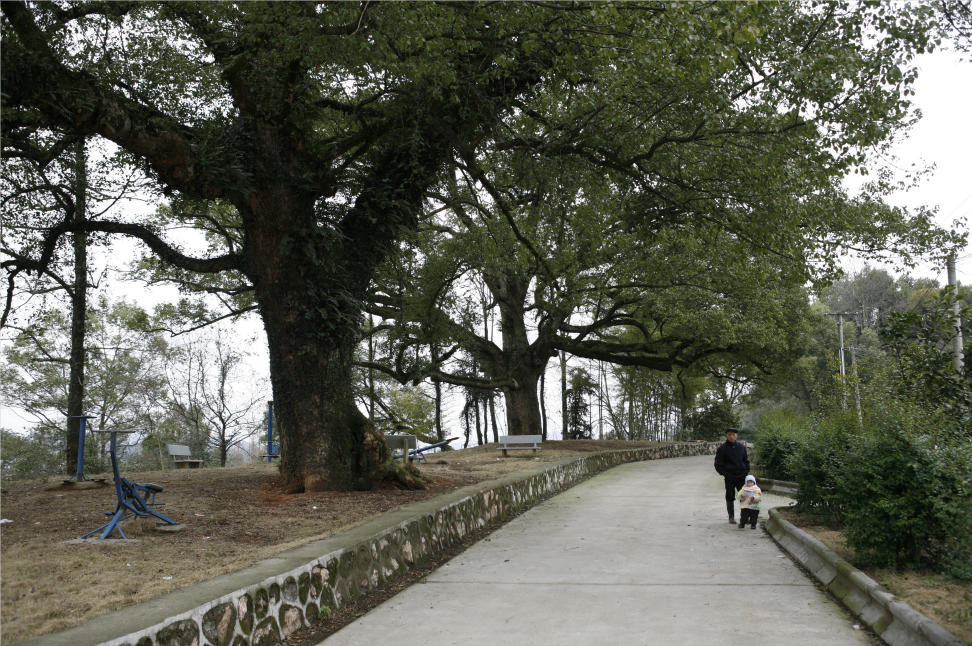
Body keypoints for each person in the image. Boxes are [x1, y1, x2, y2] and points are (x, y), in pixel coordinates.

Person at [713, 427, 749, 523]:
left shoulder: (742, 447)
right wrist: (725, 474)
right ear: (727, 435)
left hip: (742, 476)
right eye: (729, 434)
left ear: (736, 436)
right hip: (729, 476)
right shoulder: (722, 449)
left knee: (743, 496)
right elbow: (718, 464)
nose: (731, 436)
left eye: (733, 435)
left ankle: (745, 516)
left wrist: (746, 471)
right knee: (730, 496)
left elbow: (746, 460)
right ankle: (731, 517)